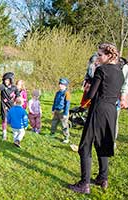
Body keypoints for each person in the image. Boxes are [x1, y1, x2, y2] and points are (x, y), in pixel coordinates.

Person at [68, 43, 124, 194]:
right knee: (104, 144)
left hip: (98, 109)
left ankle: (84, 184)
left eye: (100, 55)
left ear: (109, 55)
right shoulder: (120, 72)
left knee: (85, 146)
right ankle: (102, 178)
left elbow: (91, 95)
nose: (98, 57)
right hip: (111, 110)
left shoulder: (101, 70)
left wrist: (87, 88)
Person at [0, 72, 20, 140]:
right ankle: (4, 133)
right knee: (4, 119)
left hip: (12, 106)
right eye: (5, 80)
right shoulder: (3, 86)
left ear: (11, 80)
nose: (6, 81)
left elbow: (18, 94)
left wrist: (18, 99)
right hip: (4, 105)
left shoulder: (14, 88)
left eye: (7, 80)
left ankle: (16, 133)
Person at [50, 78, 71, 144]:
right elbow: (54, 102)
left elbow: (67, 104)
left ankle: (66, 138)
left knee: (64, 125)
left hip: (63, 112)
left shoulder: (67, 93)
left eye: (61, 84)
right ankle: (52, 134)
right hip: (56, 111)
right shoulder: (57, 93)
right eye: (59, 84)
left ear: (65, 85)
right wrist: (53, 109)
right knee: (53, 123)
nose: (60, 85)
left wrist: (65, 113)